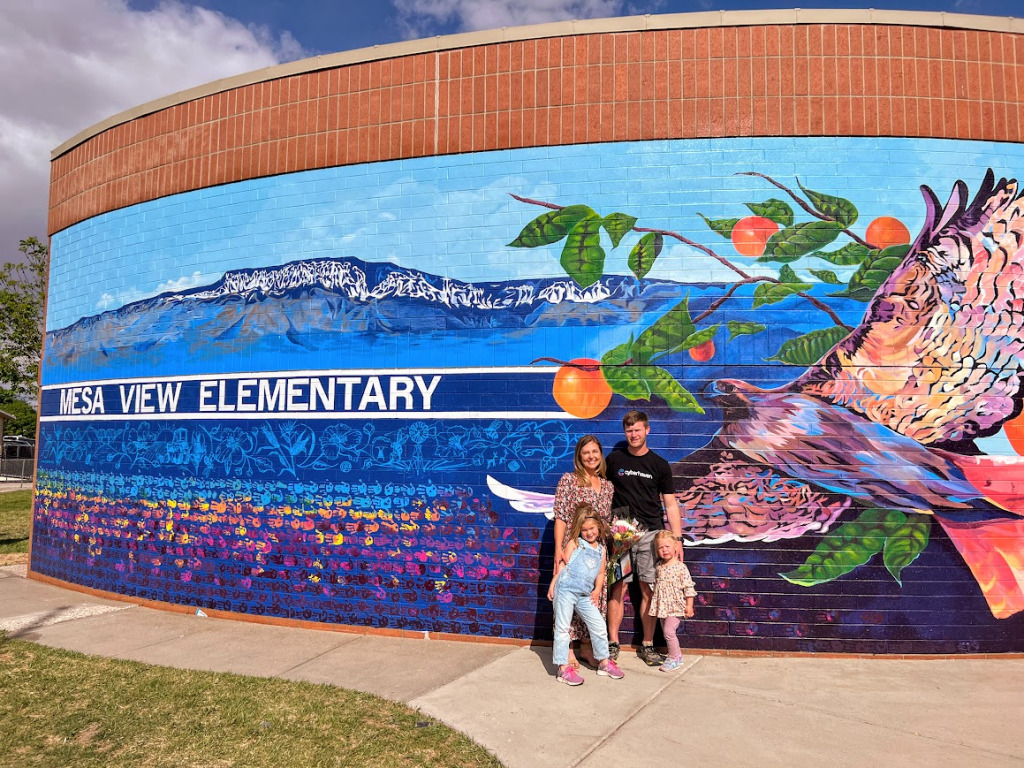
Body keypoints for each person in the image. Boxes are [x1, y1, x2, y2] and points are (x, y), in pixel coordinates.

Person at [605, 410, 684, 666]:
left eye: (638, 429)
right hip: (622, 532)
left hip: (651, 534)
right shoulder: (614, 460)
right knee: (618, 587)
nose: (633, 434)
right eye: (629, 430)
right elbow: (601, 494)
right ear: (624, 432)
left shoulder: (659, 465)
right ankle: (612, 643)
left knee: (648, 589)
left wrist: (677, 539)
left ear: (647, 430)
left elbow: (670, 505)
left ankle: (648, 645)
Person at [552, 435, 614, 667]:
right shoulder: (569, 481)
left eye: (595, 452)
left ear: (601, 454)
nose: (591, 456)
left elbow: (605, 521)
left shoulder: (607, 486)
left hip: (596, 554)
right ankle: (567, 652)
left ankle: (588, 649)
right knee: (566, 602)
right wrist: (559, 550)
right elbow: (561, 517)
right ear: (579, 456)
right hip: (573, 550)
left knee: (592, 601)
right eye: (586, 452)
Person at [547, 503, 624, 685]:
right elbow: (562, 565)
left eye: (592, 528)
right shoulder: (575, 543)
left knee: (598, 625)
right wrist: (553, 583)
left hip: (584, 594)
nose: (589, 533)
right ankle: (563, 667)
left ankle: (604, 662)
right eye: (584, 530)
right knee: (563, 628)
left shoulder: (601, 549)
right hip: (565, 589)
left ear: (598, 526)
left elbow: (601, 573)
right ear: (579, 530)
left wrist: (597, 590)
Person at [648, 529, 697, 672]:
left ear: (676, 546)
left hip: (675, 606)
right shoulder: (659, 567)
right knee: (666, 631)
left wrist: (689, 606)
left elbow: (688, 587)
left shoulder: (681, 567)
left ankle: (674, 657)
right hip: (662, 606)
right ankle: (678, 655)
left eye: (667, 546)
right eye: (661, 548)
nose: (664, 550)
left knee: (669, 632)